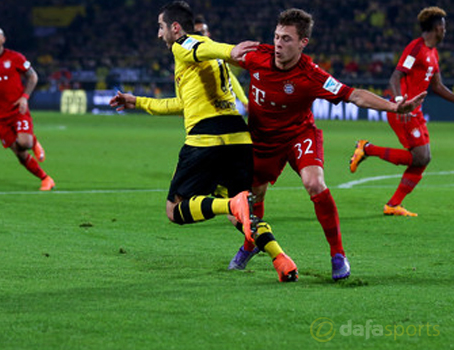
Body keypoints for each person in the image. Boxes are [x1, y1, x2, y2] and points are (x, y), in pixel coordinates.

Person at [218, 9, 426, 280]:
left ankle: (338, 255)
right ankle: (250, 244)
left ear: (303, 43)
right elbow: (217, 54)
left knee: (315, 183)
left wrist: (394, 106)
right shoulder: (257, 55)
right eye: (277, 37)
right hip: (262, 140)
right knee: (253, 197)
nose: (279, 44)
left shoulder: (311, 75)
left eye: (287, 39)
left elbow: (355, 95)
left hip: (298, 136)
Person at [109, 1, 298, 282]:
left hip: (207, 138)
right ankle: (281, 259)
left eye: (161, 27)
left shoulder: (184, 45)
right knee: (241, 219)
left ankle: (230, 204)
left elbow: (199, 46)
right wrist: (137, 101)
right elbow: (181, 103)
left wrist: (230, 50)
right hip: (238, 138)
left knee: (175, 210)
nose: (159, 34)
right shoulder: (201, 61)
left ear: (175, 27)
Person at [349, 6, 453, 217]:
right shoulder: (416, 48)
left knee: (423, 158)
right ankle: (367, 148)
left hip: (416, 112)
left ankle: (393, 204)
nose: (446, 30)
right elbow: (395, 77)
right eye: (444, 26)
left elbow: (438, 87)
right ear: (436, 27)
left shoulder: (433, 53)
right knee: (421, 156)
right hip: (403, 110)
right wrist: (399, 102)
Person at [0, 25, 55, 191]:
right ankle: (46, 179)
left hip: (18, 109)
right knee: (19, 152)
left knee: (24, 142)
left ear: (3, 39)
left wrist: (25, 97)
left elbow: (33, 76)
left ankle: (33, 141)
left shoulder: (15, 57)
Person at [194, 15, 249, 114]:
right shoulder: (187, 55)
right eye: (197, 33)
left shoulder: (216, 53)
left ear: (208, 34)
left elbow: (229, 77)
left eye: (202, 32)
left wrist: (244, 100)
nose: (200, 36)